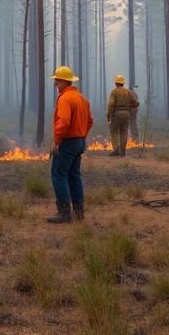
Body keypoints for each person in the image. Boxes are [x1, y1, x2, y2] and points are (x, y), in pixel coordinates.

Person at [48, 66, 93, 224]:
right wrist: (81, 136)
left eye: (57, 81)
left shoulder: (65, 98)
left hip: (67, 143)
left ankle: (65, 214)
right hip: (79, 142)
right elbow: (89, 121)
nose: (56, 84)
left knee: (58, 175)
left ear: (64, 82)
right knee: (74, 175)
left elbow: (64, 121)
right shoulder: (82, 98)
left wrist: (56, 140)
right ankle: (79, 213)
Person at [107, 75, 140, 157]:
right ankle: (123, 152)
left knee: (113, 131)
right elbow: (136, 103)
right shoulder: (128, 92)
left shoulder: (114, 92)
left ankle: (116, 149)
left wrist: (108, 114)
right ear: (123, 83)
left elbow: (111, 104)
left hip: (117, 113)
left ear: (116, 83)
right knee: (124, 132)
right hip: (126, 114)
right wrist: (129, 107)